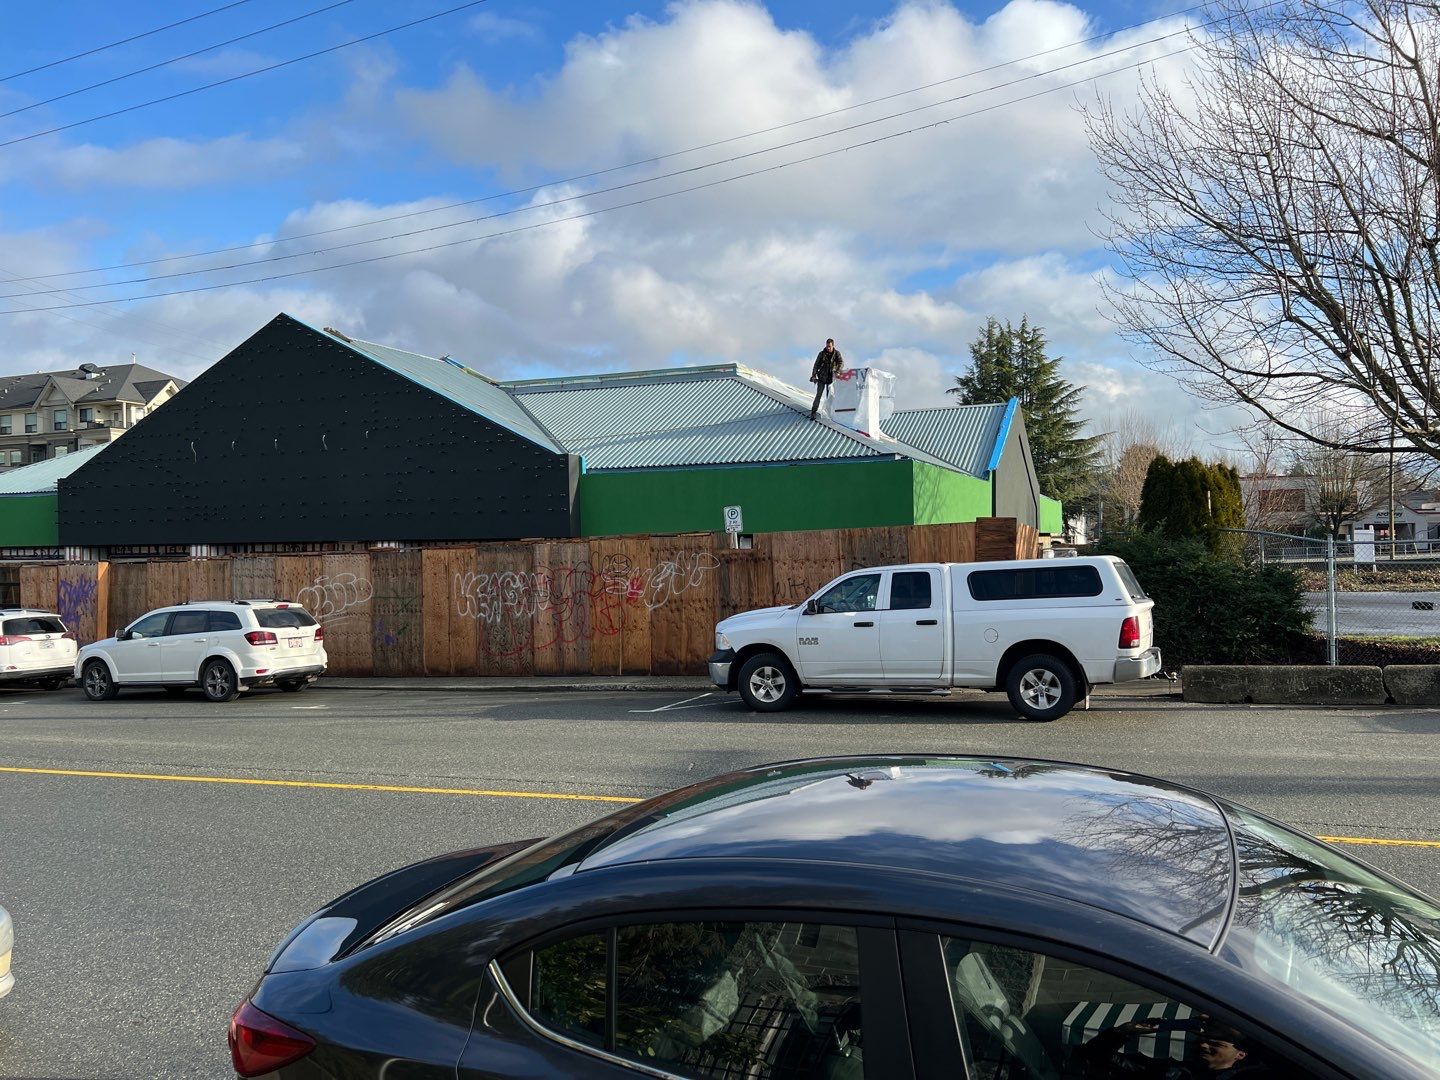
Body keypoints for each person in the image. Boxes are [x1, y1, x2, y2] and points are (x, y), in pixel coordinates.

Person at [1076, 1019, 1275, 1078]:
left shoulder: (1255, 1077)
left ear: (1241, 1053)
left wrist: (1242, 1035)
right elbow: (1094, 1055)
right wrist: (1123, 1031)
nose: (1204, 1044)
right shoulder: (1168, 1072)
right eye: (1202, 1040)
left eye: (1216, 1043)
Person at [809, 338, 844, 420]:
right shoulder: (821, 354)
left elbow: (841, 363)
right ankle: (813, 412)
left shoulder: (837, 354)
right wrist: (814, 375)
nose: (828, 348)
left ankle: (829, 413)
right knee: (818, 395)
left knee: (829, 397)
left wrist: (838, 371)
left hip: (831, 378)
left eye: (830, 346)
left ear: (833, 346)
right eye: (827, 346)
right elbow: (816, 365)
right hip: (821, 377)